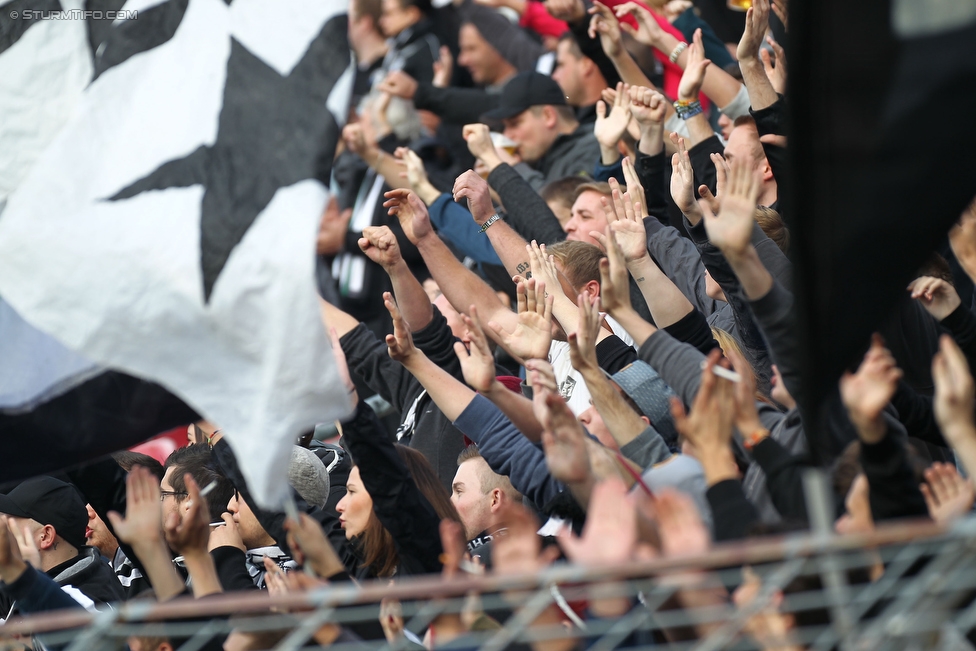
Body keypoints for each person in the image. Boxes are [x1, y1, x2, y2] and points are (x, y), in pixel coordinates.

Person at [0, 476, 125, 616]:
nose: (2, 531)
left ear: (46, 536)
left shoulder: (87, 602)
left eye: (8, 523)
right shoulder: (19, 578)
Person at [480, 71, 601, 190]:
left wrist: (511, 172)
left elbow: (563, 207)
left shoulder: (593, 148)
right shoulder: (540, 158)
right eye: (504, 127)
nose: (507, 135)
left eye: (514, 124)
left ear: (548, 116)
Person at [451, 445, 522, 563]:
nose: (449, 502)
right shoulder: (533, 548)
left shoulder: (473, 564)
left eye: (459, 492)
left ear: (495, 499)